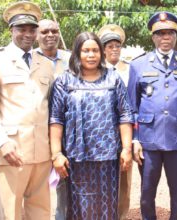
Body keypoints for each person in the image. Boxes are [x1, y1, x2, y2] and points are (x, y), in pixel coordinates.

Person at [0, 2, 55, 219]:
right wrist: (2, 141)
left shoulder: (45, 64)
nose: (28, 34)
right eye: (22, 29)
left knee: (41, 213)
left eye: (32, 29)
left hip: (42, 151)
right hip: (12, 151)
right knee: (11, 213)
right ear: (11, 30)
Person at [49, 32, 133, 220]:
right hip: (76, 157)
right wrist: (56, 154)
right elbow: (56, 119)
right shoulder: (64, 81)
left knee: (107, 206)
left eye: (95, 50)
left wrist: (127, 149)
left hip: (108, 156)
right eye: (86, 50)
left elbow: (125, 115)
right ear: (77, 53)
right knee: (79, 206)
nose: (91, 55)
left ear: (101, 53)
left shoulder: (113, 78)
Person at [127, 11, 177, 220]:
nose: (165, 37)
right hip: (148, 141)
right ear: (153, 37)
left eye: (170, 33)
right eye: (160, 33)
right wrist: (135, 139)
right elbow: (132, 107)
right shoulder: (138, 65)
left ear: (176, 36)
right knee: (146, 193)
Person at [35, 18, 70, 220]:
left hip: (65, 133)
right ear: (37, 35)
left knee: (64, 184)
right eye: (45, 32)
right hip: (37, 133)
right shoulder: (29, 60)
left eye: (54, 31)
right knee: (37, 186)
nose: (50, 35)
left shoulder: (72, 59)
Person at [98, 24, 132, 220]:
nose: (114, 49)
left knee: (124, 180)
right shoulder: (94, 69)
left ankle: (121, 215)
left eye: (117, 45)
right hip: (101, 133)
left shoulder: (129, 69)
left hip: (124, 133)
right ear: (102, 49)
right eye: (109, 46)